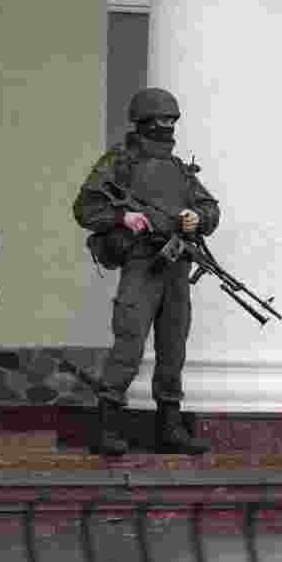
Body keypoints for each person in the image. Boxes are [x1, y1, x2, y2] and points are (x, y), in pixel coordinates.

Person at [73, 87, 219, 456]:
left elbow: (210, 208)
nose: (168, 127)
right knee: (130, 342)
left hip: (176, 265)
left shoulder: (178, 169)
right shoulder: (119, 163)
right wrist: (124, 217)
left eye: (172, 121)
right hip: (141, 264)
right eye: (161, 121)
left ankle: (170, 425)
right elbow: (85, 208)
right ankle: (108, 424)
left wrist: (196, 218)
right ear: (142, 123)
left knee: (174, 346)